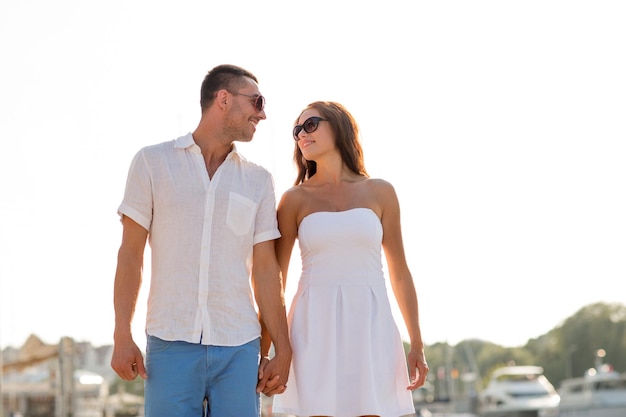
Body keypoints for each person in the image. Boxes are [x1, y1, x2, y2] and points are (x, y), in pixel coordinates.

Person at [110, 64, 292, 417]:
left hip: (240, 347)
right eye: (256, 101)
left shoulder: (259, 180)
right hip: (169, 342)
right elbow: (130, 255)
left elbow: (267, 272)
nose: (263, 113)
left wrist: (282, 349)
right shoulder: (152, 162)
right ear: (223, 99)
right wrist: (121, 333)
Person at [271, 101, 429, 417]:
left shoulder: (380, 191)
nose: (302, 134)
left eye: (311, 124)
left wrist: (417, 344)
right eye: (297, 130)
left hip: (371, 322)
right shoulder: (294, 199)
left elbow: (399, 271)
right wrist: (272, 347)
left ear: (340, 127)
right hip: (312, 326)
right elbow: (276, 278)